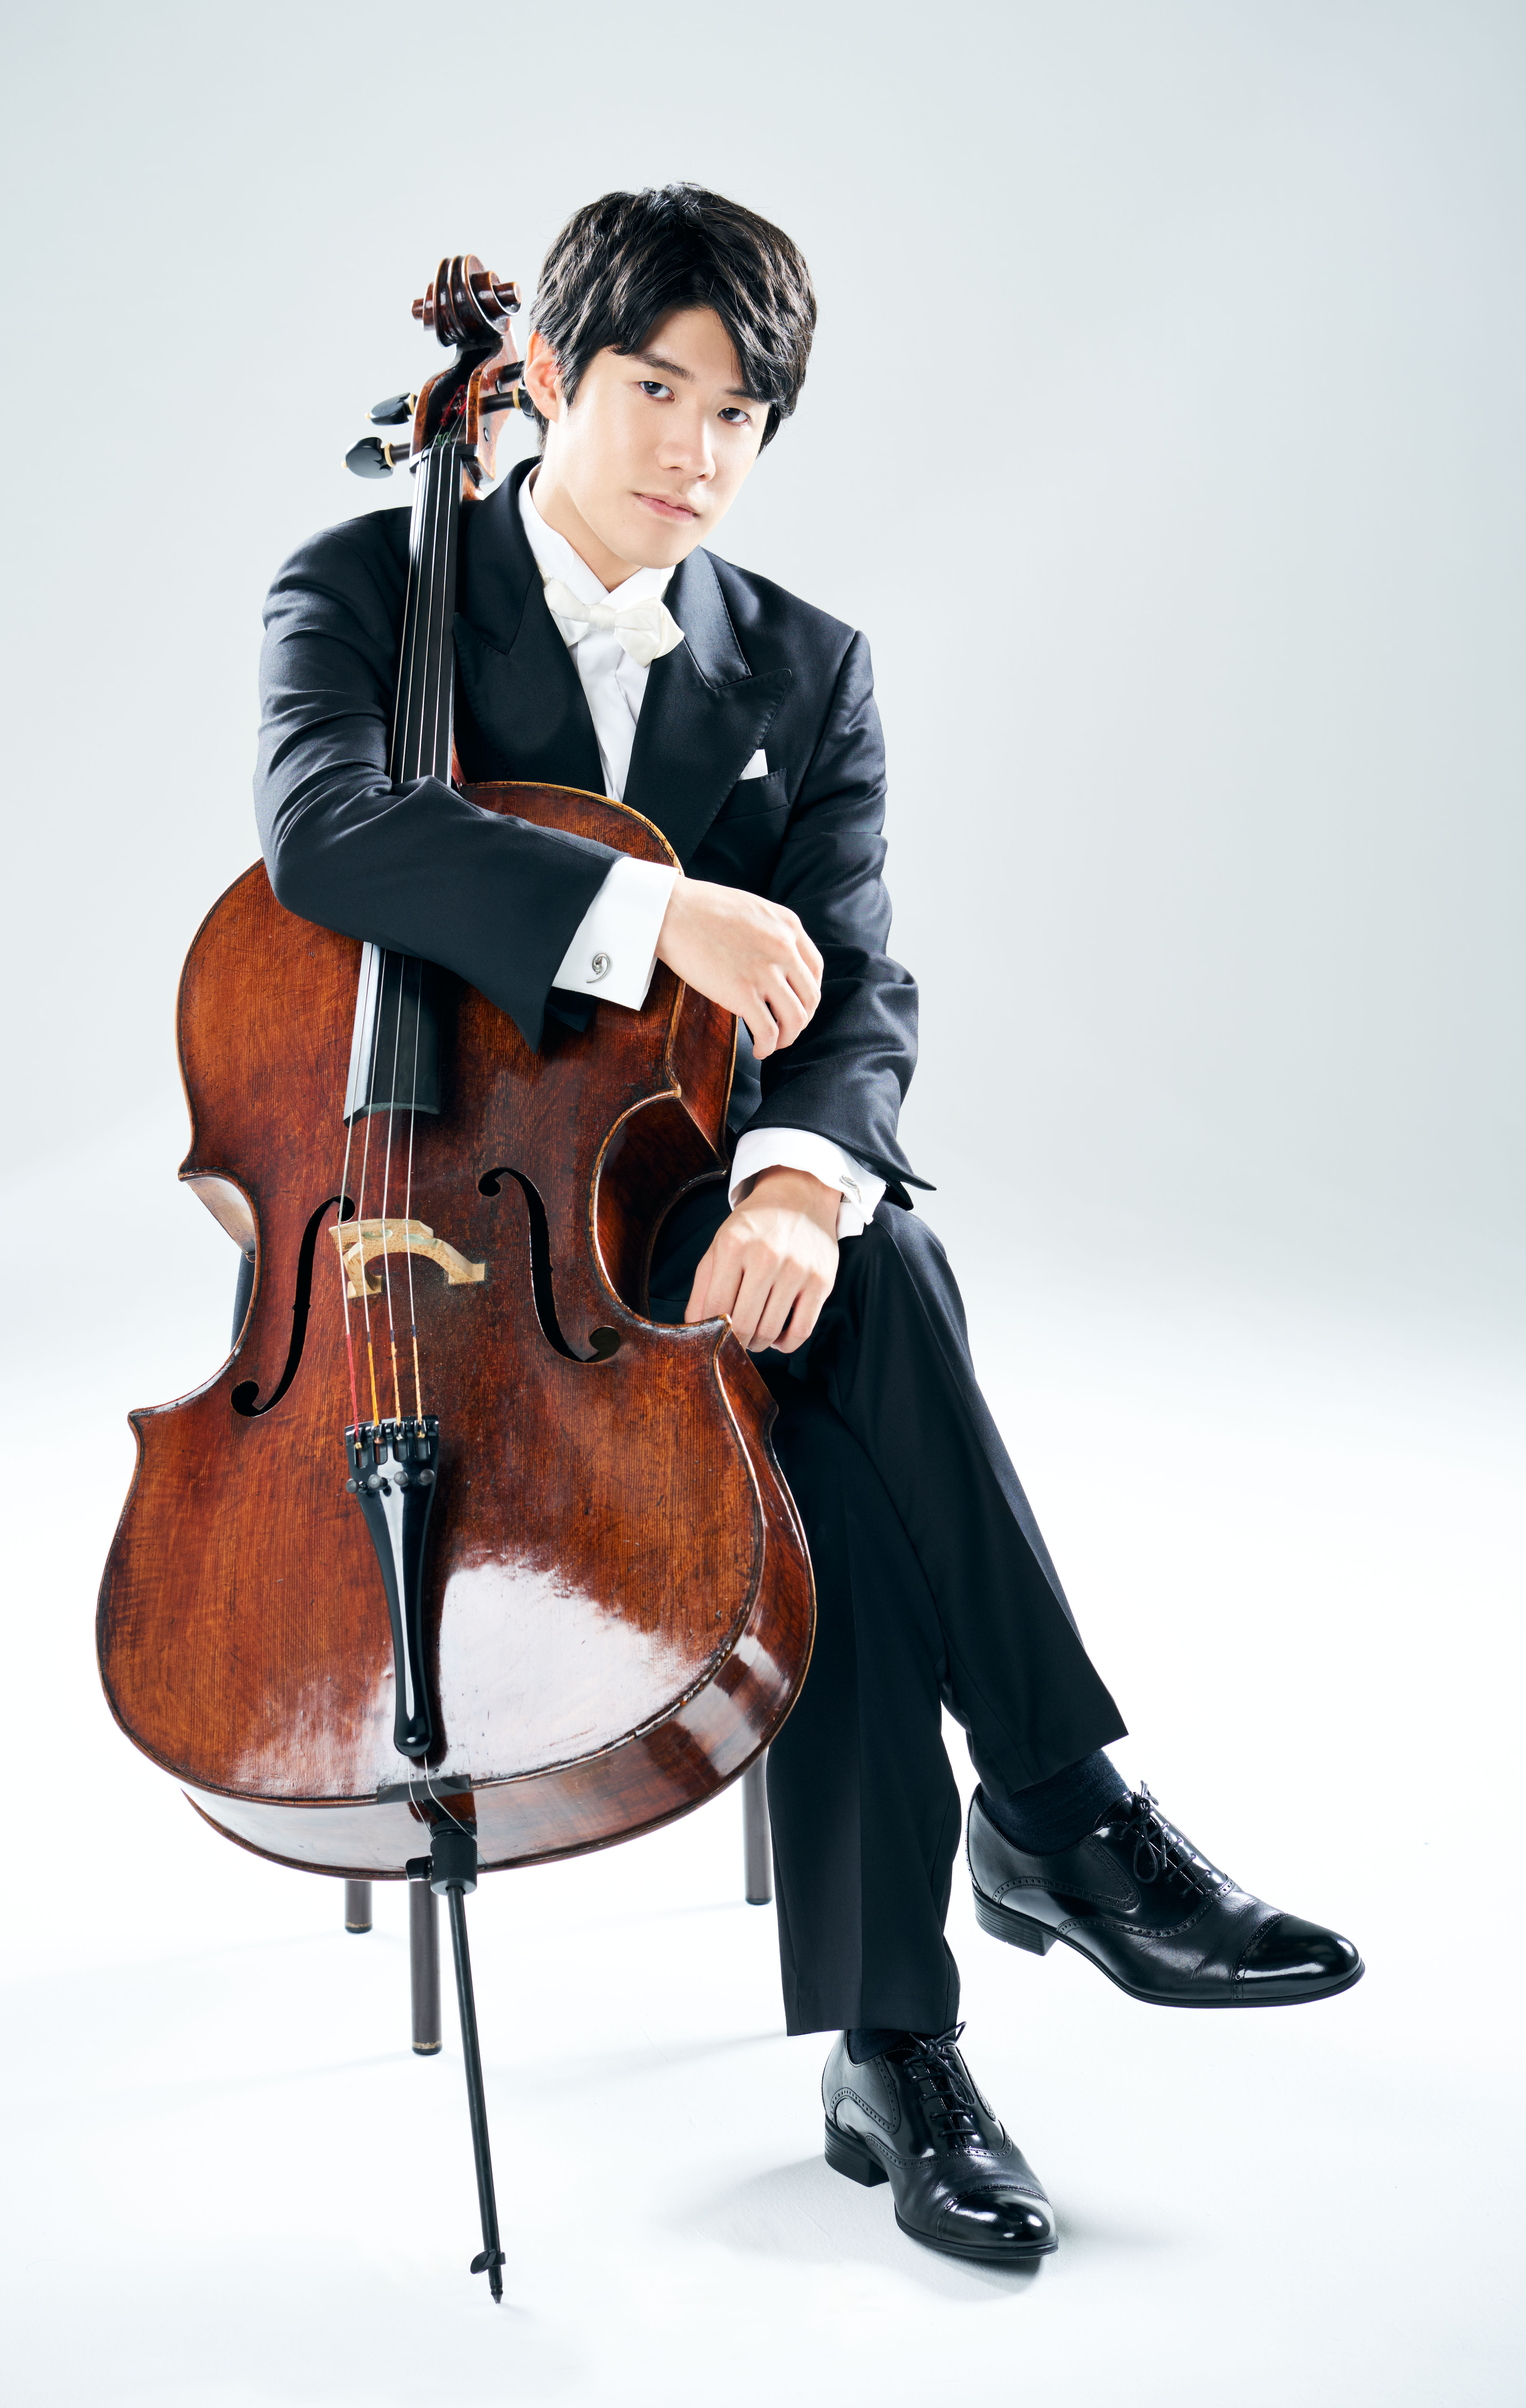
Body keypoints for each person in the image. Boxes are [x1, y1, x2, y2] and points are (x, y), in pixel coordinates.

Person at [254, 184, 1363, 2267]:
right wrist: (653, 908)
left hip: (669, 1219)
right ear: (545, 379)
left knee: (859, 1290)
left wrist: (792, 1182)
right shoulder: (366, 586)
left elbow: (854, 987)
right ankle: (1026, 1864)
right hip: (435, 1255)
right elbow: (330, 833)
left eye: (740, 415)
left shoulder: (807, 665)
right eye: (655, 391)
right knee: (851, 1407)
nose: (696, 450)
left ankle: (929, 2002)